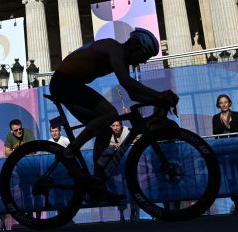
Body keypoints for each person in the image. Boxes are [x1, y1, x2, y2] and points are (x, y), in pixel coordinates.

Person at [49, 28, 177, 199]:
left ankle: (97, 182)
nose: (144, 62)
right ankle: (70, 151)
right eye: (145, 56)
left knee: (105, 128)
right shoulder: (114, 47)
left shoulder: (121, 59)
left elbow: (132, 94)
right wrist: (159, 95)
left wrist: (157, 100)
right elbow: (126, 82)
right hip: (64, 82)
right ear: (136, 46)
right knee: (110, 113)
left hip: (70, 83)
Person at [212, 94, 238, 213]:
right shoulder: (216, 117)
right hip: (224, 152)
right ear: (218, 105)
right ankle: (236, 204)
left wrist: (228, 126)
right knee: (230, 177)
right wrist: (222, 124)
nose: (223, 104)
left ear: (229, 103)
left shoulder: (236, 115)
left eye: (225, 102)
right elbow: (215, 133)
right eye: (221, 102)